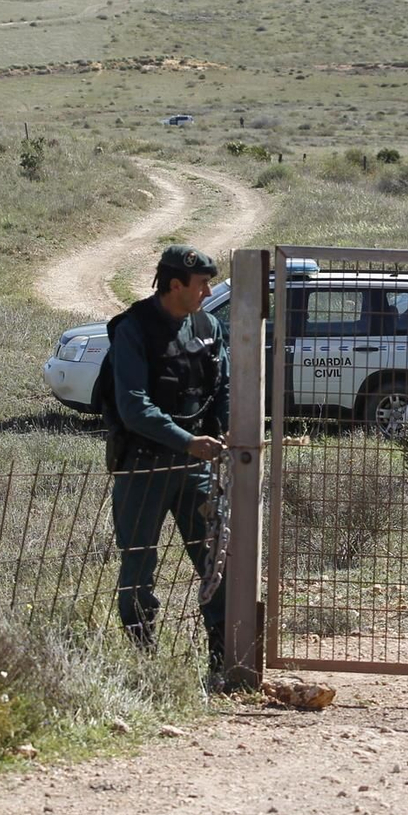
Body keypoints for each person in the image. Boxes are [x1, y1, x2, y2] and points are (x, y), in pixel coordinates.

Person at [105, 245, 230, 677]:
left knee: (217, 562)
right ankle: (143, 658)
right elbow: (133, 407)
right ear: (175, 285)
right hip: (144, 467)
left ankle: (222, 660)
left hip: (194, 470)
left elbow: (223, 387)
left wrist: (229, 430)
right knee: (139, 563)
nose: (207, 291)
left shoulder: (208, 325)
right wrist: (187, 441)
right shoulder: (134, 329)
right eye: (201, 284)